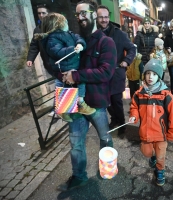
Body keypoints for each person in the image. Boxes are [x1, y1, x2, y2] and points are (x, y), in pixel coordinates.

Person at [56, 0, 117, 191]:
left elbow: (106, 72)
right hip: (73, 101)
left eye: (84, 13)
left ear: (94, 14)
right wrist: (63, 74)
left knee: (104, 137)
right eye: (77, 14)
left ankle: (107, 165)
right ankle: (79, 176)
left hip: (96, 102)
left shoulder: (106, 41)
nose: (80, 17)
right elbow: (63, 65)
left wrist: (76, 75)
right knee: (75, 142)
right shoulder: (73, 41)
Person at [35, 13, 96, 122]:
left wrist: (80, 43)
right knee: (69, 84)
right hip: (65, 66)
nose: (67, 24)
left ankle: (66, 108)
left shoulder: (68, 33)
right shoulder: (52, 38)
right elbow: (57, 52)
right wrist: (73, 49)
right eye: (65, 22)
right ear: (59, 24)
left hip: (72, 64)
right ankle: (76, 105)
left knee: (69, 86)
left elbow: (78, 37)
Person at [128, 58, 173, 186]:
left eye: (154, 74)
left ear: (159, 77)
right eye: (148, 73)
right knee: (146, 152)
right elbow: (134, 106)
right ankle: (152, 156)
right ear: (144, 75)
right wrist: (134, 115)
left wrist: (172, 133)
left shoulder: (166, 95)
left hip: (161, 134)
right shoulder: (139, 94)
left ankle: (160, 170)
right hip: (145, 132)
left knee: (161, 155)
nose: (151, 77)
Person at [97, 5, 136, 136]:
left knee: (117, 102)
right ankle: (114, 119)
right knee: (107, 102)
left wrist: (126, 61)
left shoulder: (119, 33)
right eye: (101, 17)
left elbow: (132, 48)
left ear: (109, 17)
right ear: (97, 18)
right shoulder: (94, 34)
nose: (104, 20)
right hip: (100, 76)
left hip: (116, 74)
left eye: (106, 17)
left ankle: (122, 124)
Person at [26, 4, 52, 76]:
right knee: (60, 82)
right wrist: (30, 59)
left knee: (64, 82)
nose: (41, 15)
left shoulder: (56, 26)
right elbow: (34, 45)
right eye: (39, 13)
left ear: (49, 14)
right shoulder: (37, 30)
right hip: (48, 63)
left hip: (60, 61)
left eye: (43, 13)